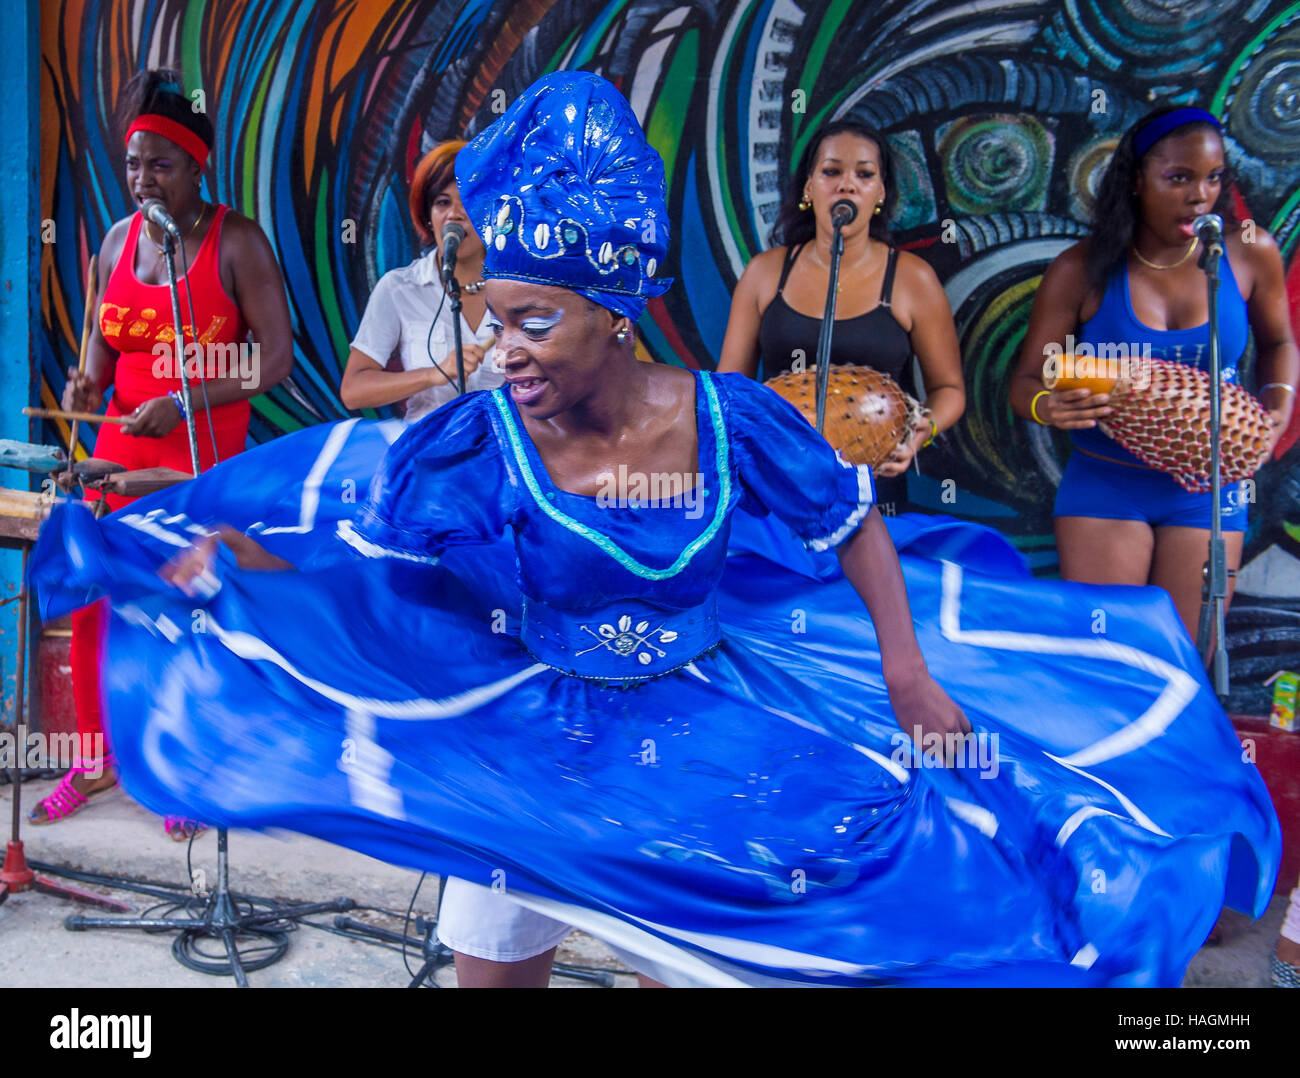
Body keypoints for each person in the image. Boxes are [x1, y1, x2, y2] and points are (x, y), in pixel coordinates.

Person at [29, 73, 1278, 988]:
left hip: (712, 711)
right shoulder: (476, 442)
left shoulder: (734, 424)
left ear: (614, 317)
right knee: (494, 970)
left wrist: (904, 673)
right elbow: (360, 547)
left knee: (802, 927)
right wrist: (228, 566)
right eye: (494, 318)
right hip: (531, 728)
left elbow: (851, 524)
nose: (500, 352)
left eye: (533, 324)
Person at [30, 69, 293, 834]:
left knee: (187, 604)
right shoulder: (113, 242)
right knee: (91, 599)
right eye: (134, 164)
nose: (144, 181)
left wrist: (182, 400)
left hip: (199, 449)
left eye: (162, 165)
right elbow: (100, 363)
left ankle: (190, 767)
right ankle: (94, 757)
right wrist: (83, 388)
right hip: (119, 450)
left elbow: (272, 360)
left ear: (196, 166)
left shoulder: (235, 241)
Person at [1010, 105, 1297, 641]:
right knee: (1113, 661)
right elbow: (1028, 380)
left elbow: (1280, 341)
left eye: (1213, 178)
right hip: (1106, 480)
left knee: (1186, 663)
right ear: (1138, 180)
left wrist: (1277, 408)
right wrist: (1045, 407)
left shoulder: (1249, 253)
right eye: (1178, 178)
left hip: (1210, 488)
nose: (1200, 196)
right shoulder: (1082, 269)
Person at [717, 120, 965, 515]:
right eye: (831, 172)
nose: (847, 185)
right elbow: (729, 389)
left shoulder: (912, 279)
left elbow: (949, 389)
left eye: (864, 174)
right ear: (808, 187)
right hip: (778, 494)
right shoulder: (765, 274)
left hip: (874, 496)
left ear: (880, 192)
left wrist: (919, 434)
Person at [339, 140, 504, 423]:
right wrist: (434, 374)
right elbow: (354, 390)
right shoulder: (399, 288)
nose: (455, 214)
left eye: (468, 201)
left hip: (507, 453)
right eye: (442, 202)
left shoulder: (520, 287)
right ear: (428, 218)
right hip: (427, 452)